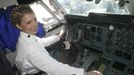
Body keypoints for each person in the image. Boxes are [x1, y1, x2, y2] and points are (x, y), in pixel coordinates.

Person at [11, 4, 102, 75]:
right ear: (18, 26)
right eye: (28, 22)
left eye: (35, 19)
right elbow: (56, 68)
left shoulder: (24, 36)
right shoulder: (32, 49)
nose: (35, 24)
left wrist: (59, 36)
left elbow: (41, 42)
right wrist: (85, 73)